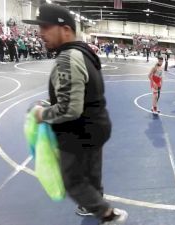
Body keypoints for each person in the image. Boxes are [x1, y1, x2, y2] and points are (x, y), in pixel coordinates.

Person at [23, 4, 128, 225]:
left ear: (65, 29)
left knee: (72, 180)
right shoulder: (86, 52)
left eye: (46, 27)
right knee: (92, 170)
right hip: (97, 125)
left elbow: (69, 108)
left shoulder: (67, 58)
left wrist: (41, 113)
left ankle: (108, 215)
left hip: (79, 132)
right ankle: (96, 201)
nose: (40, 33)